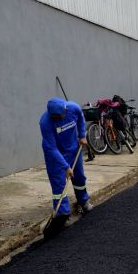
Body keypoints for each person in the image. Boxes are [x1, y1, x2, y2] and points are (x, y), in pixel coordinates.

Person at [39, 98, 93, 232]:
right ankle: (63, 214)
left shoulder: (73, 108)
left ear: (65, 110)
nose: (59, 119)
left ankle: (84, 201)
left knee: (79, 178)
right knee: (59, 185)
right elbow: (51, 148)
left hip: (73, 150)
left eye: (61, 116)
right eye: (56, 118)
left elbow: (81, 117)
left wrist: (82, 135)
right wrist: (65, 167)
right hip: (55, 155)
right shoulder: (45, 122)